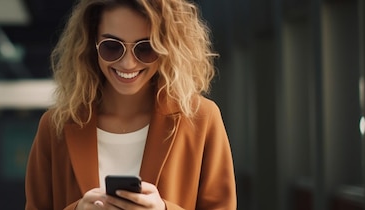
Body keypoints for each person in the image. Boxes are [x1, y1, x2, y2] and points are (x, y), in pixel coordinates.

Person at [25, 0, 237, 209]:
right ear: (92, 44)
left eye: (145, 48)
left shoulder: (201, 118)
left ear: (167, 47)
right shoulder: (55, 126)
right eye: (111, 47)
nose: (128, 63)